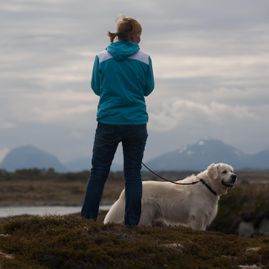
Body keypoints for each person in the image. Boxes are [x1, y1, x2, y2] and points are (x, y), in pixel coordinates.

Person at [81, 16, 155, 225]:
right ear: (132, 35)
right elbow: (148, 89)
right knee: (133, 175)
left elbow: (96, 87)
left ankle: (87, 222)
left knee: (98, 173)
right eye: (139, 34)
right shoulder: (144, 59)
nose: (140, 39)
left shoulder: (101, 57)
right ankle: (131, 224)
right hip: (136, 123)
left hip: (108, 122)